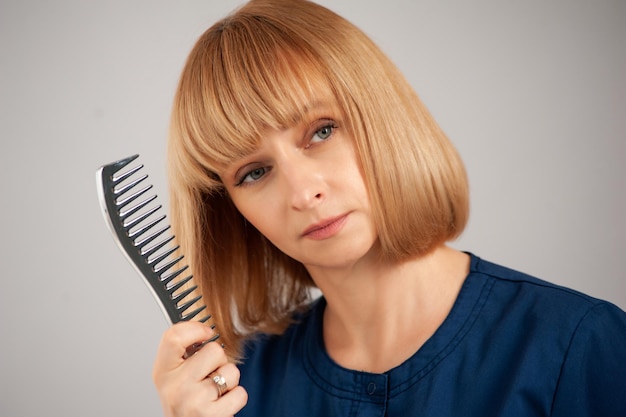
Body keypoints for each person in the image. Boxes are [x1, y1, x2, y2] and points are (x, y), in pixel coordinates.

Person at [151, 0, 626, 415]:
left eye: (322, 131)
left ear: (382, 116)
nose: (302, 193)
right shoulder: (241, 387)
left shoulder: (576, 345)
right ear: (231, 211)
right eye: (254, 173)